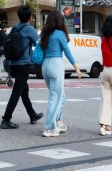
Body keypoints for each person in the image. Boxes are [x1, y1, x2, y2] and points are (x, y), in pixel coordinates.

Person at [39, 9, 82, 137]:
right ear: (59, 20)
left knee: (60, 96)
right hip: (56, 64)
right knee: (55, 97)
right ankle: (50, 127)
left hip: (45, 66)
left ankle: (58, 121)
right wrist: (77, 68)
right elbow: (67, 52)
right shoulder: (60, 34)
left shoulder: (44, 33)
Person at [1, 6, 44, 129]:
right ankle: (6, 119)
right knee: (17, 92)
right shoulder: (29, 29)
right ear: (30, 18)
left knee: (23, 91)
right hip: (23, 64)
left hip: (13, 64)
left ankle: (32, 115)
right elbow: (39, 43)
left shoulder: (15, 28)